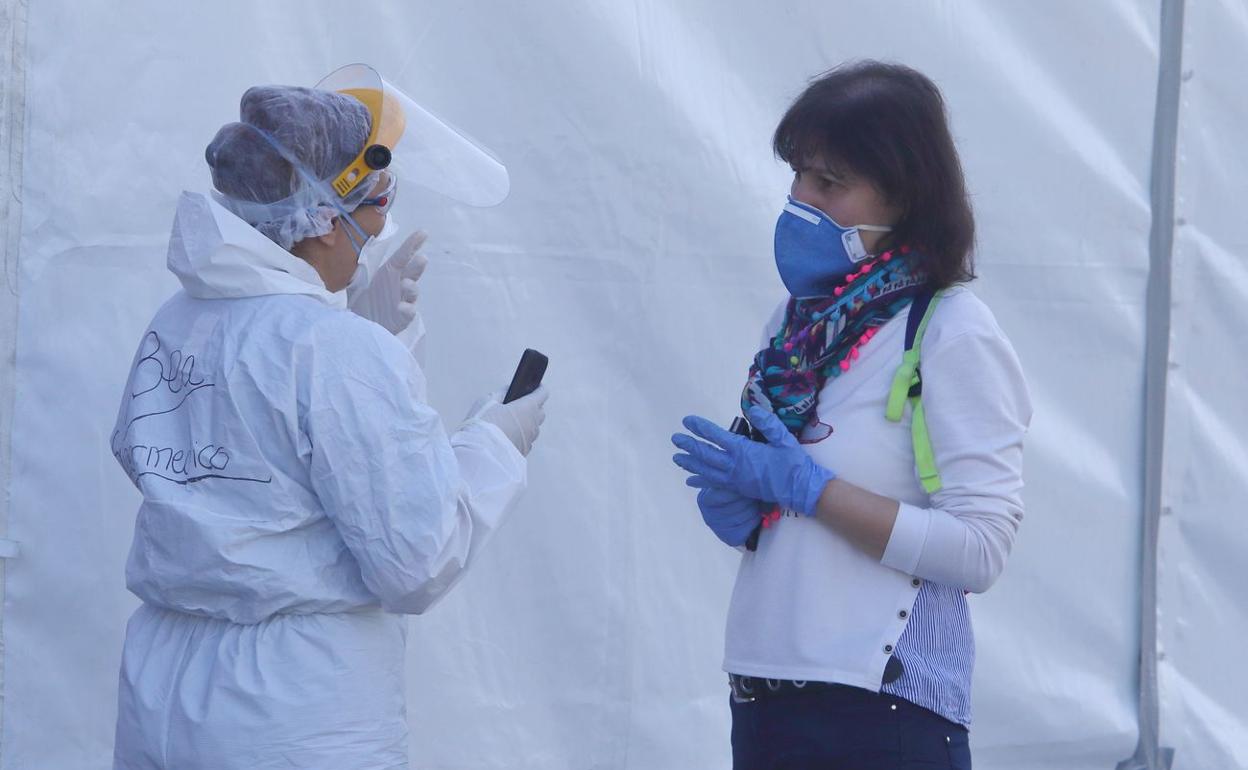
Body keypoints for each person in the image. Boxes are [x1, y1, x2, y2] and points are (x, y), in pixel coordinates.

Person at [108, 65, 548, 769]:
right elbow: (415, 562)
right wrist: (493, 449)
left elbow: (151, 455)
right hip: (293, 706)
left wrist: (377, 344)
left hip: (163, 686)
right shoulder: (334, 353)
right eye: (377, 204)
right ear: (319, 219)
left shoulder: (179, 321)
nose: (383, 227)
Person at [671, 61, 1032, 769]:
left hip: (880, 710)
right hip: (764, 698)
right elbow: (799, 517)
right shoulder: (798, 324)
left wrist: (810, 490)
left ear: (902, 197)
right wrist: (748, 514)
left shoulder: (951, 328)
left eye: (828, 183)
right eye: (799, 174)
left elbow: (981, 549)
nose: (798, 199)